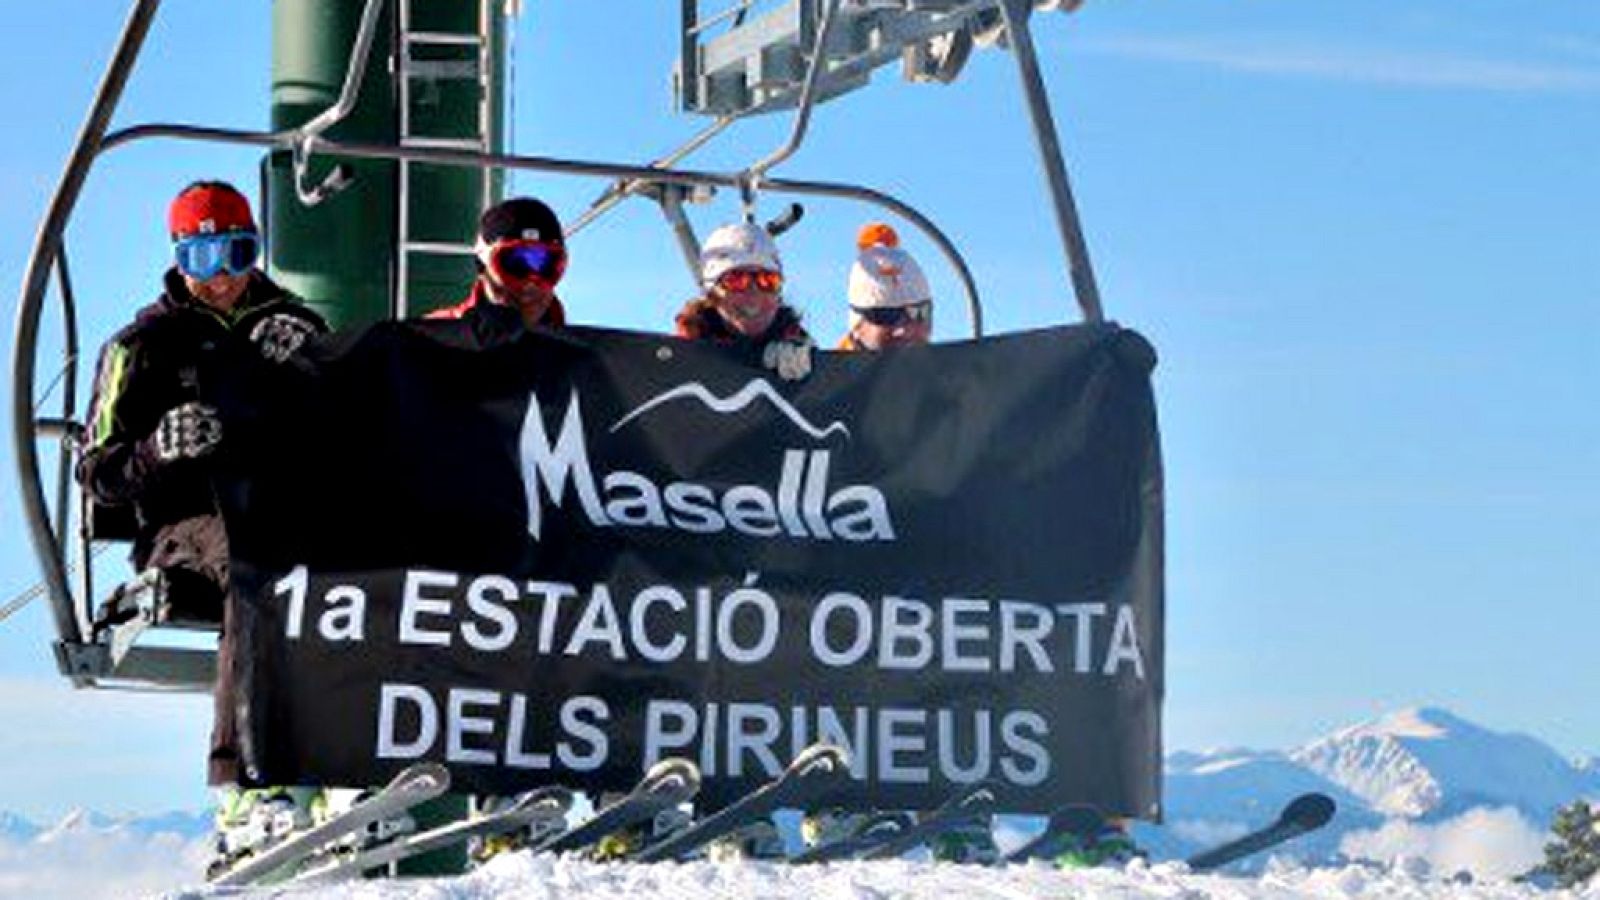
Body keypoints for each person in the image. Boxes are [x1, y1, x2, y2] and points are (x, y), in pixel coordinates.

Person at [77, 180, 329, 855]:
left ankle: (344, 767)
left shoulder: (292, 326)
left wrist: (309, 365)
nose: (221, 277)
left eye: (236, 254)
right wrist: (157, 450)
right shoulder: (144, 345)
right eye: (202, 258)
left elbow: (346, 425)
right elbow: (97, 472)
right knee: (258, 559)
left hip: (284, 512)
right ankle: (245, 782)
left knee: (362, 562)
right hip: (185, 526)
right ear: (178, 257)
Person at [674, 220, 814, 381]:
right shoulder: (683, 354)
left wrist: (811, 370)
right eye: (736, 280)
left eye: (768, 280)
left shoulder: (796, 348)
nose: (754, 295)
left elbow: (832, 384)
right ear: (712, 293)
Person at [427, 196, 568, 331]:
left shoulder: (573, 345)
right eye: (515, 263)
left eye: (544, 264)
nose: (529, 285)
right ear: (482, 264)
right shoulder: (433, 338)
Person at [837, 222, 933, 351]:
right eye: (886, 316)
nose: (904, 330)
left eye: (919, 312)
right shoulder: (829, 365)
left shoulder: (956, 363)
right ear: (857, 328)